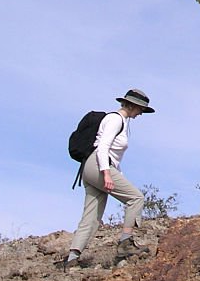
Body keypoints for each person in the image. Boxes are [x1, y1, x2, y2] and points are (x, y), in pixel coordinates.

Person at [60, 88, 155, 270]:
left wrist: (114, 174)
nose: (141, 114)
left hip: (92, 167)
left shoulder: (121, 121)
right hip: (97, 165)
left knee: (92, 216)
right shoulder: (115, 119)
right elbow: (103, 147)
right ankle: (125, 244)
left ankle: (72, 258)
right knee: (136, 198)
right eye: (141, 109)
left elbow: (112, 156)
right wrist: (106, 173)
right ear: (134, 106)